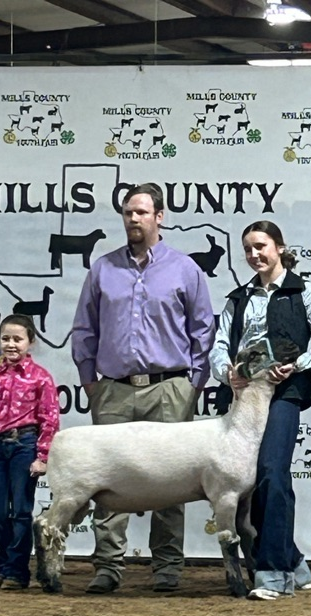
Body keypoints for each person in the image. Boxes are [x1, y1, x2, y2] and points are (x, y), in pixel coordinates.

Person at [71, 182, 215, 594]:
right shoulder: (103, 268)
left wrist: (194, 384)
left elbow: (203, 330)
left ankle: (167, 567)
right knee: (106, 479)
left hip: (169, 387)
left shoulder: (185, 269)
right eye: (128, 212)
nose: (133, 219)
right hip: (113, 390)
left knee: (172, 481)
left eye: (141, 212)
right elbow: (85, 329)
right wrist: (90, 383)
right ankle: (108, 567)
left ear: (160, 216)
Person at [209, 220, 311, 601]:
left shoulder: (305, 293)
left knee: (271, 472)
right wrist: (227, 372)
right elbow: (218, 346)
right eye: (248, 249)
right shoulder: (237, 299)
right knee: (248, 482)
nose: (254, 255)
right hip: (243, 398)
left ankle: (273, 573)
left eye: (261, 247)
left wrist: (298, 363)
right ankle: (294, 561)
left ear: (280, 247)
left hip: (284, 394)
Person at [0, 314, 60, 590]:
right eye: (6, 338)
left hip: (25, 444)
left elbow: (50, 419)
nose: (11, 344)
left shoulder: (41, 378)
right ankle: (6, 562)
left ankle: (16, 571)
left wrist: (42, 456)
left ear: (30, 342)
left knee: (21, 510)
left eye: (18, 339)